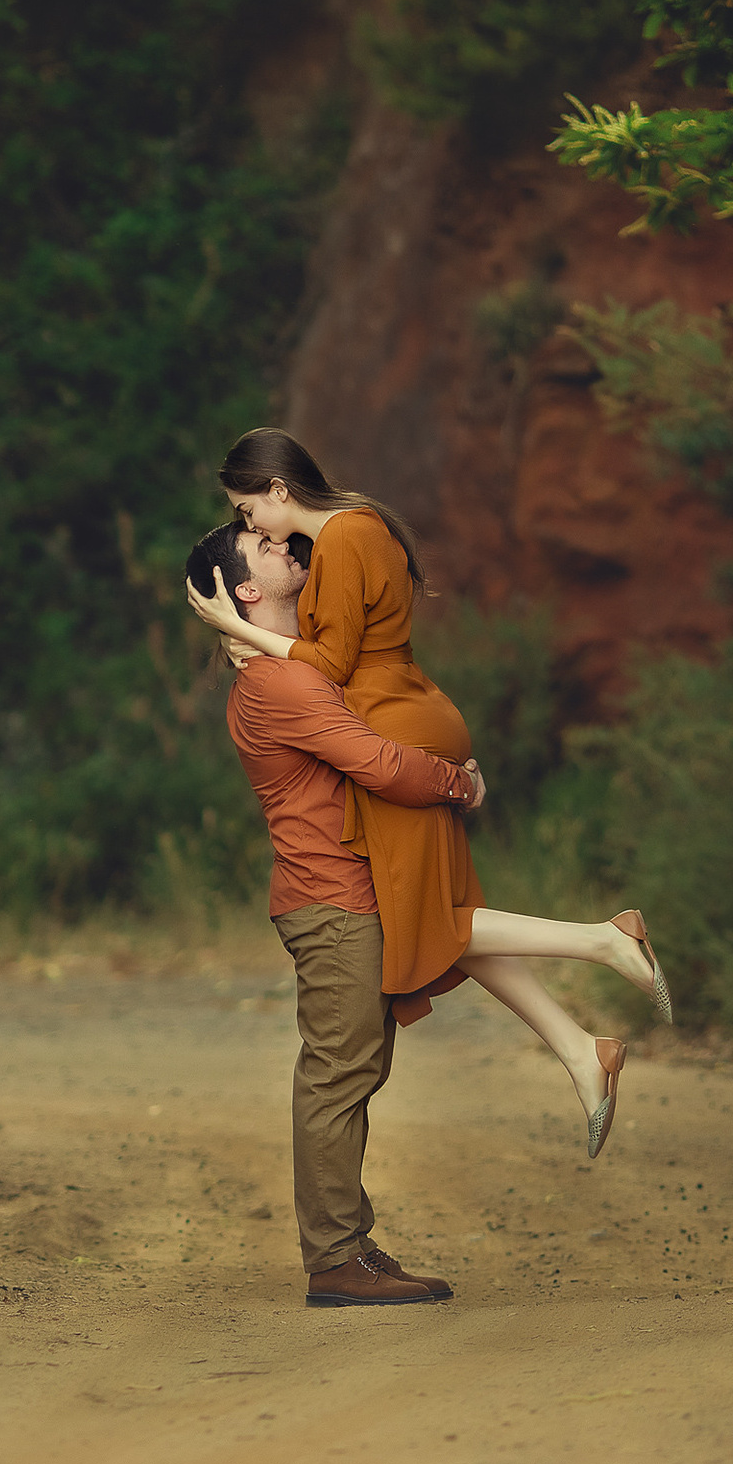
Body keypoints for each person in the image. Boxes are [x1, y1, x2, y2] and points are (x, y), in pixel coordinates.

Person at [186, 428, 667, 1161]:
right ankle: (580, 1049)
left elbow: (329, 661)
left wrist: (233, 627)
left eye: (249, 510)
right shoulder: (353, 532)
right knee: (440, 916)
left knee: (429, 921)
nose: (252, 525)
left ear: (279, 490)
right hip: (405, 710)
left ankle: (605, 941)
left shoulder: (345, 537)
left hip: (394, 725)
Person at [187, 521, 476, 1307]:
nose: (282, 544)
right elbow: (380, 764)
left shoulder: (295, 666)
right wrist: (457, 781)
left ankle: (350, 1241)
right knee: (337, 1073)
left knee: (356, 1069)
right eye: (263, 548)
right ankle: (334, 1260)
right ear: (243, 591)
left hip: (345, 892)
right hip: (333, 899)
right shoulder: (279, 682)